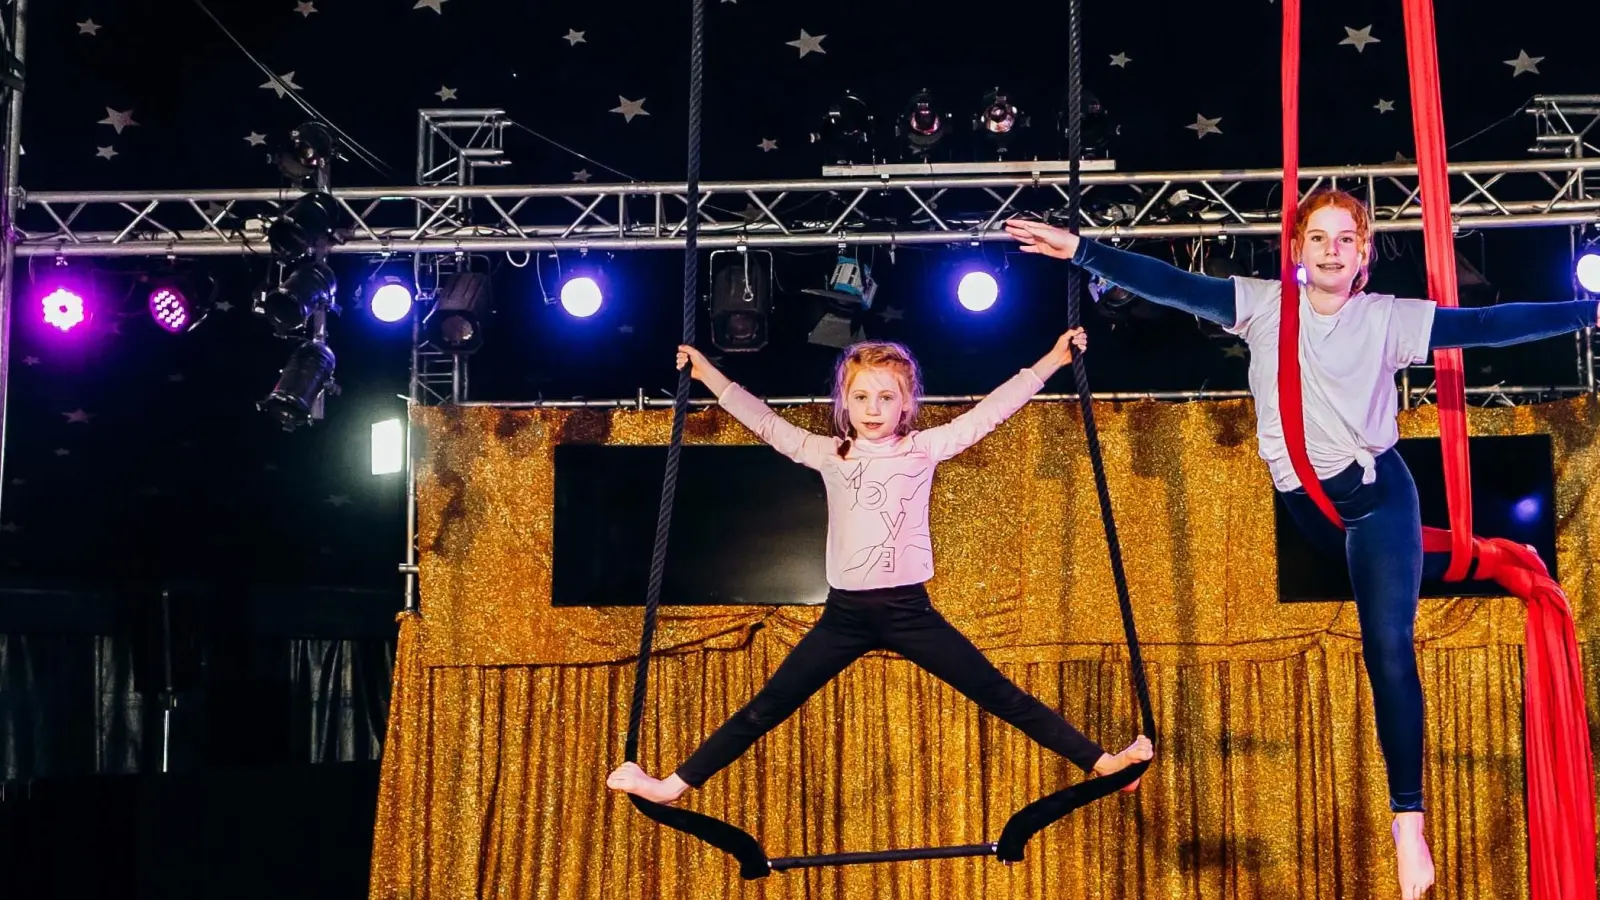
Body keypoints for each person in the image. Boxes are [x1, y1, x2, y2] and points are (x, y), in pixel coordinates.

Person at [1005, 190, 1599, 900]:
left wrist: (1587, 312)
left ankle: (1408, 820)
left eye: (1345, 239)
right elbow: (1172, 284)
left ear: (1364, 253)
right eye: (1317, 237)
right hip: (1308, 508)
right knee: (1401, 568)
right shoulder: (1263, 307)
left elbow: (1488, 325)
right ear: (1296, 249)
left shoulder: (1388, 319)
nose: (1330, 249)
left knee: (1387, 644)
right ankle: (1488, 558)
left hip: (1378, 498)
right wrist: (1084, 251)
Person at [608, 332, 1155, 806]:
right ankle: (672, 785)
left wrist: (1052, 362)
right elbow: (766, 422)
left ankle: (1102, 763)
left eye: (885, 397)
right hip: (843, 616)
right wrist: (707, 374)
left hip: (908, 611)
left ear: (906, 403)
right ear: (843, 402)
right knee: (767, 707)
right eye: (861, 396)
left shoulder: (924, 449)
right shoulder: (829, 453)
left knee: (1000, 694)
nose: (872, 408)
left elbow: (990, 412)